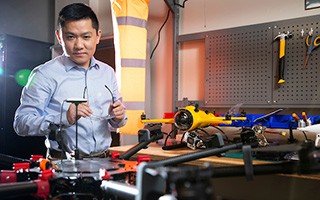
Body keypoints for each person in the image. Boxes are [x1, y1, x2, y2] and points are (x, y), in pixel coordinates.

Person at [14, 3, 127, 159]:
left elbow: (118, 120)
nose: (79, 45)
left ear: (98, 36)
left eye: (86, 37)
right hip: (62, 163)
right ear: (60, 37)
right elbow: (21, 123)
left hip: (104, 161)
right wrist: (64, 119)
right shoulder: (44, 74)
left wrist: (119, 116)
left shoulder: (107, 72)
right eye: (71, 37)